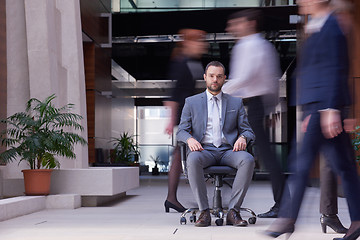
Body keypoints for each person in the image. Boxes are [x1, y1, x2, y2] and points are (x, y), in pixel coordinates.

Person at [264, 1, 360, 240]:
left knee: (301, 163)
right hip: (317, 108)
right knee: (346, 168)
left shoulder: (332, 25)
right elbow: (312, 71)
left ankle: (288, 218)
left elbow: (336, 67)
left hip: (325, 108)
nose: (300, 2)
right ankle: (358, 221)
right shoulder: (316, 26)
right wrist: (308, 111)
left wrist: (331, 108)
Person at [222, 9, 285, 218]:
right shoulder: (263, 45)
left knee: (261, 155)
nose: (231, 28)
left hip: (254, 105)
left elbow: (245, 77)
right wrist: (272, 107)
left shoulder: (249, 45)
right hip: (259, 104)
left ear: (249, 23)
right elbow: (272, 81)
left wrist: (216, 90)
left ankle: (282, 203)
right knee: (263, 155)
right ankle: (282, 202)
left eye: (236, 23)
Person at [176, 61, 255, 227]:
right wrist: (190, 139)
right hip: (204, 150)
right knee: (193, 159)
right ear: (205, 77)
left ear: (224, 79)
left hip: (229, 151)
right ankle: (204, 211)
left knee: (247, 159)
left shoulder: (236, 102)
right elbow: (181, 131)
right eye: (211, 76)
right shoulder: (191, 102)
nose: (215, 79)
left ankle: (233, 211)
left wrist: (243, 138)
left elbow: (248, 131)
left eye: (219, 76)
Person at [164, 29, 208, 213]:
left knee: (180, 155)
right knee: (181, 154)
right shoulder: (181, 62)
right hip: (184, 116)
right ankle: (172, 198)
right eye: (200, 41)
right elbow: (174, 94)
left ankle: (171, 198)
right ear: (190, 42)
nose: (203, 45)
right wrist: (171, 120)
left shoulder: (193, 62)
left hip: (192, 115)